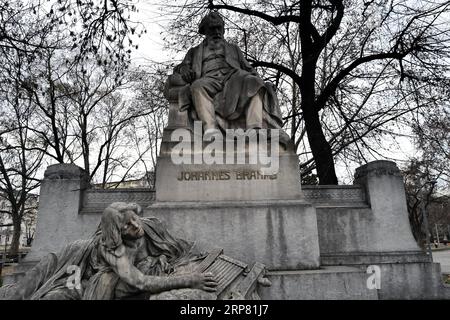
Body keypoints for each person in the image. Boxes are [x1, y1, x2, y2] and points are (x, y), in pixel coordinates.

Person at [0, 202, 217, 300]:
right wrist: (190, 280)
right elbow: (140, 282)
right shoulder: (111, 249)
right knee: (41, 280)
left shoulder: (148, 225)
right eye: (127, 226)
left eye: (134, 218)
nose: (135, 226)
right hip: (76, 261)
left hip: (89, 275)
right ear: (116, 233)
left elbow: (181, 247)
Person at [173, 11, 288, 140]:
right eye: (212, 29)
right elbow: (180, 67)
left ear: (223, 29)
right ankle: (211, 130)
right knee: (197, 87)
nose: (217, 32)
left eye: (219, 28)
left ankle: (254, 128)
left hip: (233, 77)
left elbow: (247, 68)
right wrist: (184, 69)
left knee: (254, 82)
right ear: (205, 31)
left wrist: (263, 83)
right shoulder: (194, 51)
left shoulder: (233, 48)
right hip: (209, 79)